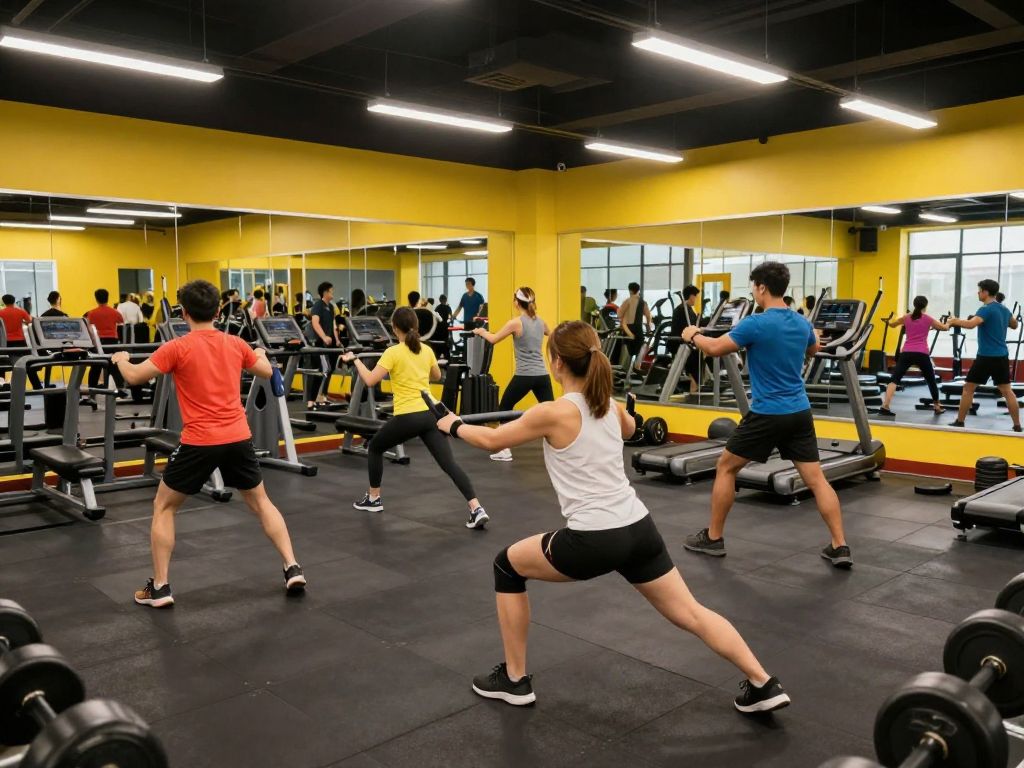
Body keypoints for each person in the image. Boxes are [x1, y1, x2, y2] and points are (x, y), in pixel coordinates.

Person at [430, 320, 789, 713]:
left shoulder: (553, 412)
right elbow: (633, 428)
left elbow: (492, 440)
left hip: (593, 539)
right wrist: (628, 410)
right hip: (639, 529)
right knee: (691, 613)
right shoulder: (609, 405)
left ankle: (515, 680)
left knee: (506, 565)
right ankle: (763, 682)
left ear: (557, 363)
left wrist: (453, 424)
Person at [111, 279, 306, 608]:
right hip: (238, 438)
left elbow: (134, 377)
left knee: (164, 506)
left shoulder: (177, 347)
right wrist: (258, 350)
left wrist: (120, 358)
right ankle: (292, 566)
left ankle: (160, 587)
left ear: (183, 312)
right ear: (218, 310)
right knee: (261, 503)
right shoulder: (234, 344)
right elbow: (265, 370)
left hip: (199, 441)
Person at [681, 261, 851, 568]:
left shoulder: (755, 323)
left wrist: (692, 335)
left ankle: (714, 538)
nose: (753, 292)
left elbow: (716, 348)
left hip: (767, 413)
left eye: (753, 287)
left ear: (761, 288)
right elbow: (813, 351)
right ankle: (840, 545)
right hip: (799, 411)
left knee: (725, 468)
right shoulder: (801, 323)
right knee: (816, 480)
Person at [341, 307, 488, 530]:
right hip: (431, 415)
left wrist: (355, 360)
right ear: (416, 327)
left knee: (375, 448)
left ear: (394, 328)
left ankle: (374, 499)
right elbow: (437, 376)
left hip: (408, 416)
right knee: (449, 464)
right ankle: (476, 508)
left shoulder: (393, 352)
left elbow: (370, 380)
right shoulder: (426, 350)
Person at [474, 287, 553, 463]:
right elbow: (554, 336)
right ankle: (562, 449)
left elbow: (493, 339)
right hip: (542, 375)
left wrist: (481, 332)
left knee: (505, 408)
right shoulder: (541, 322)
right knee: (551, 412)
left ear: (516, 303)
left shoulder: (516, 323)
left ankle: (503, 449)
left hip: (524, 375)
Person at [948, 279, 1022, 431]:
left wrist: (954, 320)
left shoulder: (985, 309)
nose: (978, 293)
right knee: (1007, 391)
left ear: (986, 292)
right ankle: (1017, 426)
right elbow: (1014, 325)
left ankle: (960, 422)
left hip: (986, 357)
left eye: (980, 290)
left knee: (968, 388)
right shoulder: (1003, 309)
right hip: (1002, 356)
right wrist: (1001, 320)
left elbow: (970, 324)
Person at [878, 296, 949, 417]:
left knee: (894, 379)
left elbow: (892, 325)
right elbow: (945, 328)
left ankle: (885, 405)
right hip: (922, 353)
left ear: (914, 305)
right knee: (931, 380)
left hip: (906, 353)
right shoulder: (928, 319)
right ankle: (937, 406)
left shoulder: (906, 317)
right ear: (925, 306)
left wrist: (888, 321)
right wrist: (950, 322)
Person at [307, 281, 340, 409]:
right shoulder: (318, 306)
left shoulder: (331, 307)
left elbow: (333, 324)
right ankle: (311, 401)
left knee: (329, 370)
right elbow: (315, 323)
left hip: (330, 344)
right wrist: (324, 337)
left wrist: (336, 339)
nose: (333, 293)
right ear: (325, 292)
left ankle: (322, 396)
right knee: (322, 370)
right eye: (331, 291)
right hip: (319, 344)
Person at [85, 289, 124, 393]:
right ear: (107, 298)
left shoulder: (92, 313)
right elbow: (122, 323)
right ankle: (121, 389)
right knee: (114, 367)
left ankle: (91, 393)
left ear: (96, 299)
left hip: (98, 344)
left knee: (95, 368)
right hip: (112, 343)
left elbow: (88, 329)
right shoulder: (115, 312)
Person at [0, 294, 41, 390]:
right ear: (14, 301)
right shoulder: (20, 311)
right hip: (20, 341)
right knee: (28, 363)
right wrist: (21, 322)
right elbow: (30, 321)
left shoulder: (1, 313)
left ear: (4, 302)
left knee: (2, 364)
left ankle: (2, 385)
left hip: (5, 343)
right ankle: (37, 386)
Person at [669, 285, 701, 393]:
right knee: (698, 353)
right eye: (695, 297)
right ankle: (694, 385)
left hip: (685, 341)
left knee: (702, 351)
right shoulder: (683, 309)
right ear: (691, 296)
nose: (695, 300)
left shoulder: (687, 309)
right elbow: (690, 326)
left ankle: (696, 383)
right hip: (680, 343)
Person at [618, 282, 652, 364]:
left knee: (627, 352)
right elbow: (648, 316)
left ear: (630, 290)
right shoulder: (643, 302)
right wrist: (648, 328)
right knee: (639, 351)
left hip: (628, 329)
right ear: (638, 290)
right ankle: (636, 369)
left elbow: (619, 314)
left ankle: (626, 370)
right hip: (638, 328)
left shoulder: (627, 301)